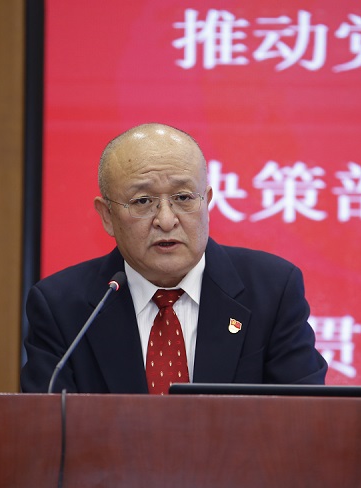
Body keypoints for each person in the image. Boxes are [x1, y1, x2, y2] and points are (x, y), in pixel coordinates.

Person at [21, 123, 327, 393]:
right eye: (143, 201)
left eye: (183, 198)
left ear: (206, 202)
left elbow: (304, 417)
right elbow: (47, 429)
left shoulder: (272, 291)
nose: (166, 221)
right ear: (107, 216)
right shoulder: (61, 308)